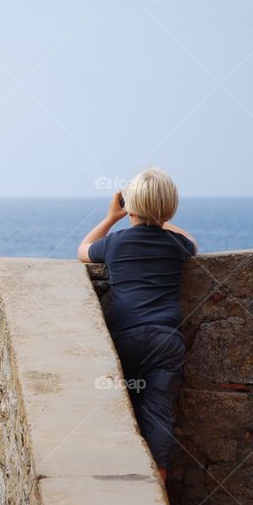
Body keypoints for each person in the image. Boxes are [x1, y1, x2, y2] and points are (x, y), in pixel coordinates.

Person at [77, 167, 197, 482]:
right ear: (170, 208)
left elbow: (82, 251)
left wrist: (112, 218)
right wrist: (160, 219)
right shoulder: (176, 245)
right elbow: (192, 243)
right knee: (158, 415)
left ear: (129, 207)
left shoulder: (115, 243)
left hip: (125, 338)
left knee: (120, 411)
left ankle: (123, 485)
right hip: (165, 341)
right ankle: (159, 489)